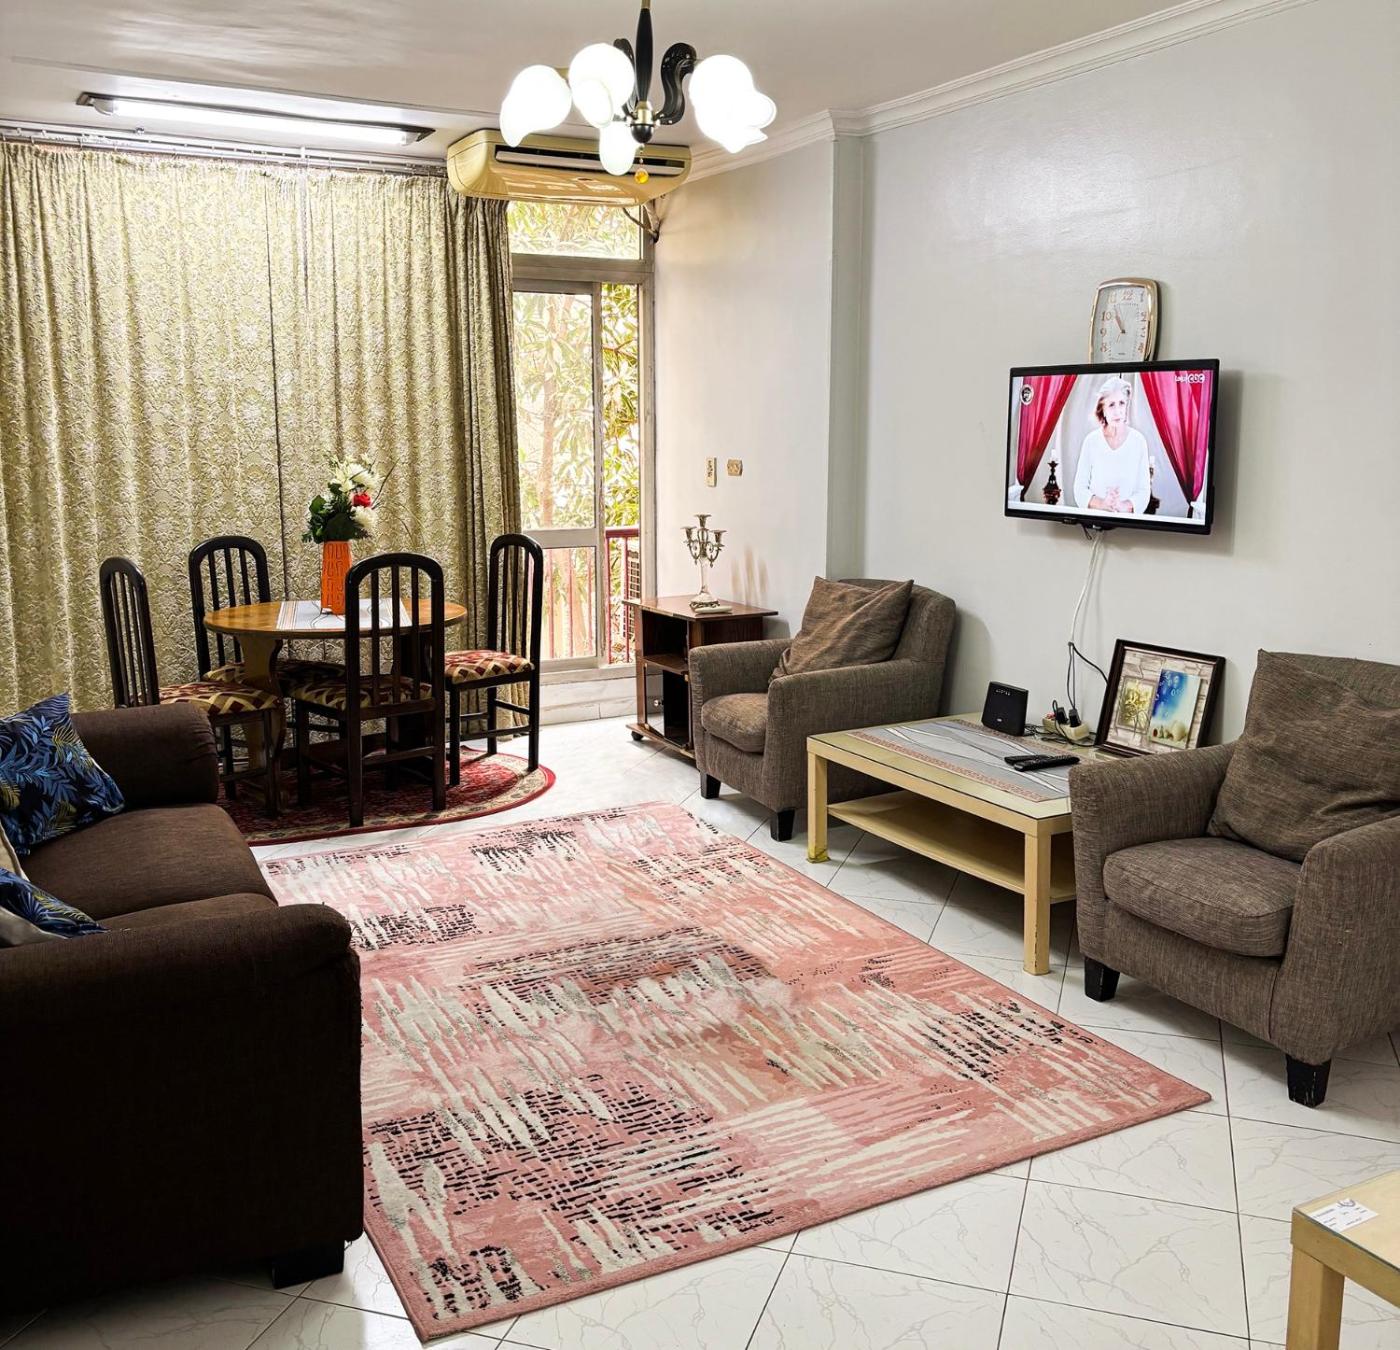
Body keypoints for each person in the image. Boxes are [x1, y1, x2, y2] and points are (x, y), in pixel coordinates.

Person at [1073, 376, 1150, 515]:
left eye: (1121, 403)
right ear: (1102, 409)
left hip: (1127, 523)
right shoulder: (1091, 441)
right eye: (1111, 405)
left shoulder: (1138, 441)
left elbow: (1144, 492)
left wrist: (1122, 506)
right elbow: (1079, 489)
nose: (1117, 411)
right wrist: (1103, 504)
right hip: (1095, 519)